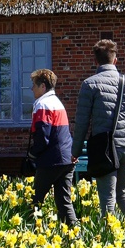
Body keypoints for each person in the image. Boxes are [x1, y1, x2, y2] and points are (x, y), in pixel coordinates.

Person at [71, 38, 125, 221]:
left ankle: (109, 235)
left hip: (104, 148)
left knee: (107, 199)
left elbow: (81, 122)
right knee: (123, 194)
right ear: (115, 60)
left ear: (95, 61)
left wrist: (75, 151)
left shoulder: (90, 84)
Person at [27, 67, 77, 227]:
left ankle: (29, 231)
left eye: (34, 85)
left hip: (51, 160)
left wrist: (33, 155)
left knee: (35, 200)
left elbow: (43, 136)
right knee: (64, 201)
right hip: (66, 158)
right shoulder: (57, 102)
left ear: (43, 86)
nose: (32, 89)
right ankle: (75, 234)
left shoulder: (43, 104)